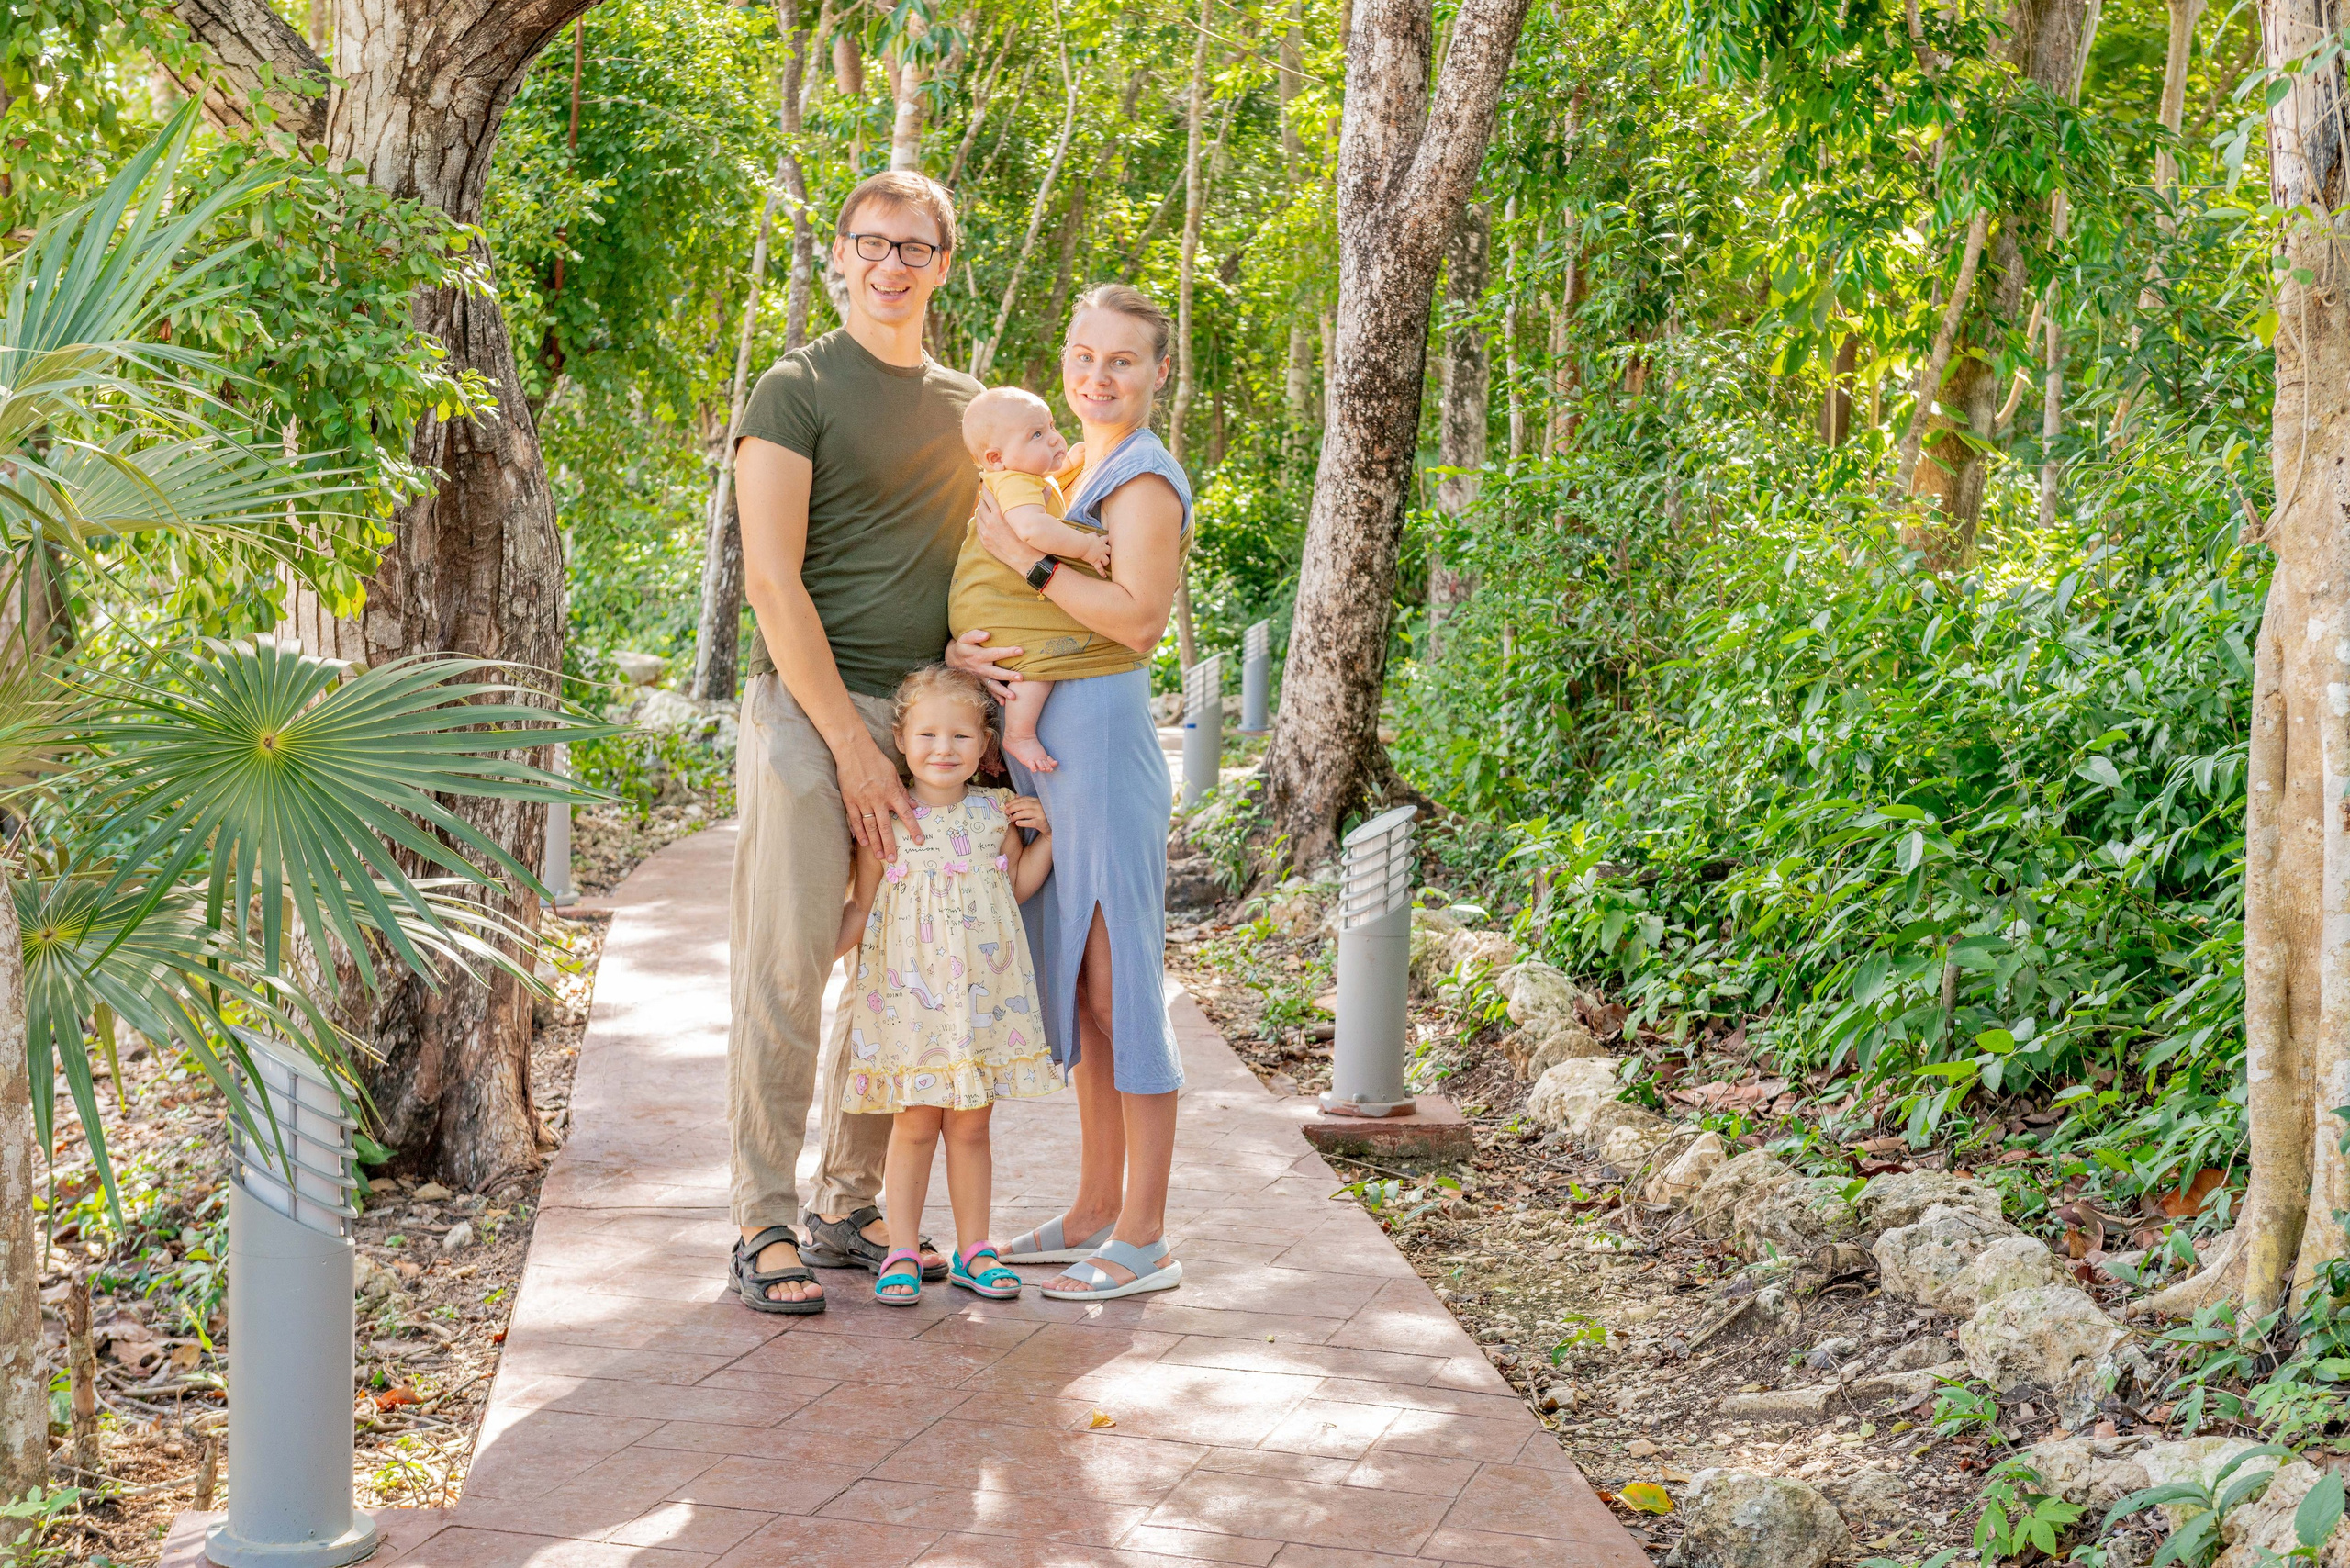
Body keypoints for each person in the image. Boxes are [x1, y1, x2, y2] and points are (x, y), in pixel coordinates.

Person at [725, 171, 977, 1314]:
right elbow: (772, 580)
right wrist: (850, 744)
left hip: (927, 724)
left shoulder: (970, 407)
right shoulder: (795, 388)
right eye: (871, 243)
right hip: (805, 712)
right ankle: (762, 1217)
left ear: (941, 263)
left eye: (914, 248)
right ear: (839, 253)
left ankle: (847, 1202)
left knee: (897, 968)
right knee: (791, 962)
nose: (891, 265)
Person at [947, 284, 1194, 1302]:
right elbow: (1016, 589)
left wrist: (1027, 567)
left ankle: (1143, 1236)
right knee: (1086, 997)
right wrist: (968, 645)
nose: (1097, 376)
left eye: (1122, 361)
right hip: (1060, 756)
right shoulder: (1066, 464)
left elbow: (1135, 621)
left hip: (1106, 749)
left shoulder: (1141, 478)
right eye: (1083, 356)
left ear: (1157, 372)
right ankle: (1094, 1204)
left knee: (1122, 987)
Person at [833, 665, 1060, 1305]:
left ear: (985, 745)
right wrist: (815, 952)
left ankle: (975, 1250)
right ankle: (902, 1249)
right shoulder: (888, 816)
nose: (943, 749)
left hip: (981, 1005)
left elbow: (1013, 892)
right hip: (912, 1007)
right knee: (913, 1125)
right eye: (928, 734)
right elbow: (862, 906)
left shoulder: (995, 816)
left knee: (971, 1128)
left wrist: (1048, 835)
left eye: (961, 737)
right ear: (901, 741)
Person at [948, 386, 1118, 774]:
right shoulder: (1013, 482)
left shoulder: (1019, 476)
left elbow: (1052, 481)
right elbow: (1032, 529)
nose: (1055, 438)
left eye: (1051, 426)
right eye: (1037, 435)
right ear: (996, 458)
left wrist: (1071, 458)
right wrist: (1086, 547)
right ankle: (1019, 733)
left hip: (984, 600)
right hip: (992, 603)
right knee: (1037, 658)